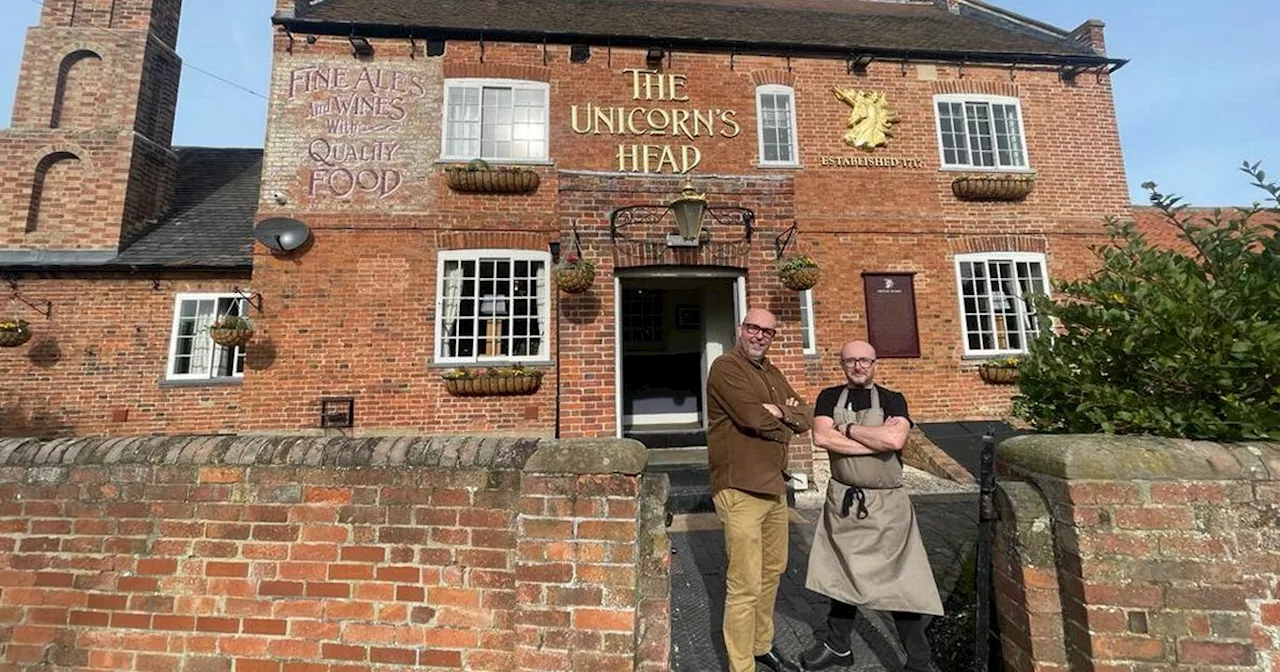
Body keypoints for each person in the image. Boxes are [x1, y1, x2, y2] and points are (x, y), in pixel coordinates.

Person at [800, 340, 943, 671]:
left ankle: (919, 661)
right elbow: (822, 438)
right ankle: (838, 646)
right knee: (841, 574)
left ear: (875, 363)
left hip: (887, 505)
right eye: (851, 361)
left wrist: (847, 429)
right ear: (842, 364)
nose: (858, 366)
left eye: (864, 360)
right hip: (844, 500)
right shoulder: (827, 397)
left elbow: (895, 441)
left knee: (900, 581)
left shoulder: (894, 399)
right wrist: (874, 441)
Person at [706, 307, 813, 672]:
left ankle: (760, 646)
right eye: (754, 328)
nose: (760, 336)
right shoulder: (726, 367)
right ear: (741, 328)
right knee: (745, 583)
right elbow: (751, 418)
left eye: (768, 332)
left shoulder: (772, 372)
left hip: (773, 487)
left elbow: (807, 417)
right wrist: (784, 417)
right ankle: (741, 666)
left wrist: (780, 412)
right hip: (739, 488)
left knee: (772, 573)